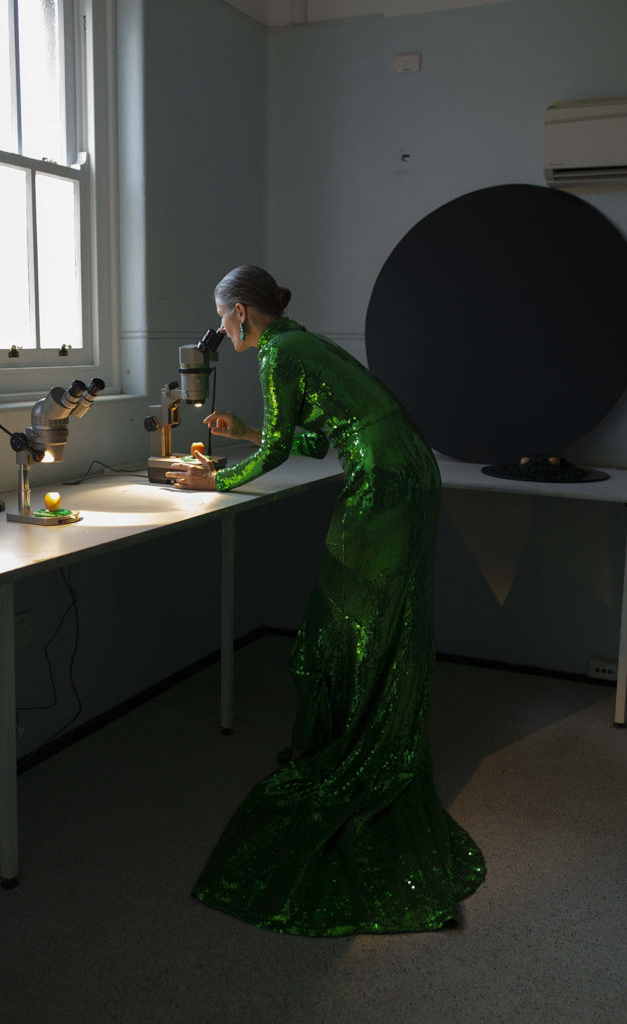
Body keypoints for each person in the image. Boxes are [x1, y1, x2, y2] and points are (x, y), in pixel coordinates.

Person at [167, 265, 485, 936]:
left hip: (386, 480)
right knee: (358, 611)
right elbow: (318, 437)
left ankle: (361, 742)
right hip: (400, 467)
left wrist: (212, 481)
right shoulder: (302, 344)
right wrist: (245, 433)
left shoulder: (281, 350)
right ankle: (352, 725)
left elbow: (288, 448)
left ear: (243, 313)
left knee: (354, 614)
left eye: (223, 319)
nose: (221, 331)